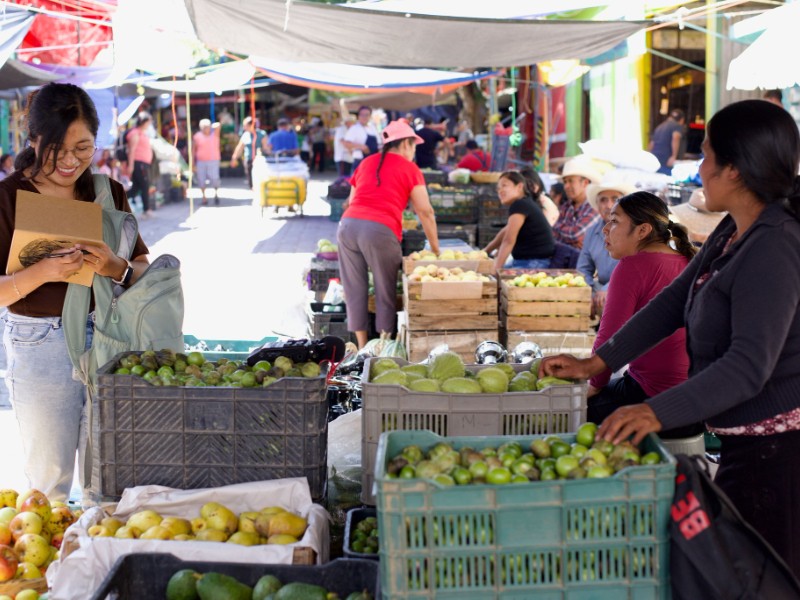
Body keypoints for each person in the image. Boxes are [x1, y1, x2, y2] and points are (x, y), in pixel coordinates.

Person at [541, 99, 800, 576]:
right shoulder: (733, 230)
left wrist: (654, 410)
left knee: (764, 578)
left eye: (705, 156)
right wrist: (598, 363)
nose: (699, 168)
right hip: (741, 441)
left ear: (736, 171)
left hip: (777, 454)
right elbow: (672, 302)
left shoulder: (775, 245)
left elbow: (748, 366)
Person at [0, 82, 149, 502]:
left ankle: (98, 561)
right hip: (40, 342)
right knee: (50, 479)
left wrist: (113, 266)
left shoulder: (108, 192)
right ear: (32, 140)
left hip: (107, 338)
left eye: (83, 148)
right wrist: (45, 270)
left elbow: (140, 267)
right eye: (56, 150)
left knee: (110, 474)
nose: (70, 161)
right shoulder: (8, 198)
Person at [584, 192, 700, 440]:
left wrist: (594, 385)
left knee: (569, 413)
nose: (605, 229)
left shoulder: (633, 266)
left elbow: (607, 337)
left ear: (642, 230)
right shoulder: (687, 260)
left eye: (614, 221)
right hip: (695, 403)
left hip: (654, 401)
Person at [337, 119, 439, 348]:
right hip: (379, 230)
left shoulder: (366, 162)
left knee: (354, 289)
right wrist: (435, 249)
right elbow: (425, 211)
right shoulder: (410, 168)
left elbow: (352, 201)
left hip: (348, 226)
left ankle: (363, 347)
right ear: (404, 144)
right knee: (385, 291)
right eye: (414, 146)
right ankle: (383, 347)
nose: (414, 152)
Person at [576, 178, 635, 318]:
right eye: (603, 200)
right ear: (597, 205)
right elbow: (583, 269)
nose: (608, 205)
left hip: (628, 287)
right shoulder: (591, 231)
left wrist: (608, 289)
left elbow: (631, 269)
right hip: (600, 288)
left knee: (607, 301)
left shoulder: (632, 230)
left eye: (615, 199)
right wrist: (587, 292)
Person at [482, 170, 555, 271]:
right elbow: (506, 232)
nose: (500, 191)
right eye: (498, 188)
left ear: (519, 186)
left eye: (504, 185)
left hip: (534, 263)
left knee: (497, 280)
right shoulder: (524, 203)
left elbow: (508, 241)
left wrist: (496, 270)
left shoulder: (520, 205)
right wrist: (486, 251)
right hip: (532, 260)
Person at [551, 157, 601, 249]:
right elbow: (552, 233)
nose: (566, 186)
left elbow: (576, 234)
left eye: (570, 181)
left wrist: (558, 229)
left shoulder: (594, 206)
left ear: (585, 183)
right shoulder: (566, 206)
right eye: (565, 182)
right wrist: (571, 240)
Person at [126, 111, 155, 217]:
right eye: (148, 122)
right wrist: (131, 166)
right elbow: (131, 150)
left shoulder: (142, 133)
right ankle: (146, 209)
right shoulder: (135, 133)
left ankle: (116, 201)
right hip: (138, 164)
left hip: (143, 164)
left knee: (136, 188)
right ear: (143, 122)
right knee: (144, 186)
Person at [230, 116, 268, 189]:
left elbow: (265, 147)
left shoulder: (261, 134)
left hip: (259, 160)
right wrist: (234, 158)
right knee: (250, 178)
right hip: (249, 160)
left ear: (251, 125)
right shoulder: (245, 135)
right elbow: (239, 147)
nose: (244, 128)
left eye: (245, 126)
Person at [193, 118, 222, 206]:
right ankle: (204, 198)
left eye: (207, 127)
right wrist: (192, 162)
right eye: (204, 127)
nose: (206, 129)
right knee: (201, 180)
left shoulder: (215, 134)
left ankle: (216, 194)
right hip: (201, 161)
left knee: (214, 179)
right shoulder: (197, 136)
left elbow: (218, 125)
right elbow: (193, 149)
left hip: (213, 161)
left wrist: (210, 126)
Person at [648, 108, 685, 175]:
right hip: (666, 159)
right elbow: (675, 138)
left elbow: (651, 143)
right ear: (681, 120)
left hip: (654, 159)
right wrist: (674, 156)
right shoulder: (677, 126)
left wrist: (649, 156)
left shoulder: (659, 126)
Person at [343, 106, 380, 172]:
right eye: (362, 115)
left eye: (366, 115)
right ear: (358, 116)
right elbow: (346, 143)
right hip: (360, 162)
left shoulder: (372, 127)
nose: (364, 117)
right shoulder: (354, 128)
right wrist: (361, 146)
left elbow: (378, 143)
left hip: (373, 162)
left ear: (370, 116)